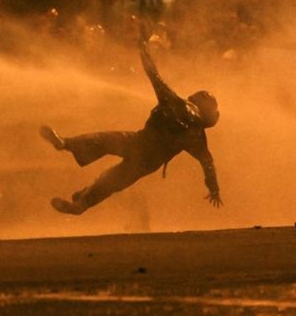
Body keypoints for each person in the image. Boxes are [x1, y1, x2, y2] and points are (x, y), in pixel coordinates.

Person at [40, 24, 222, 215]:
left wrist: (143, 45)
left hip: (137, 142)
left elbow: (152, 72)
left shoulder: (174, 101)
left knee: (102, 140)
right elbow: (207, 163)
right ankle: (81, 204)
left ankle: (65, 144)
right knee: (112, 180)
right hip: (148, 161)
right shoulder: (198, 135)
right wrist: (214, 189)